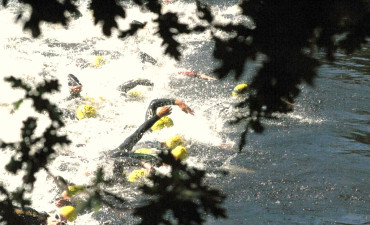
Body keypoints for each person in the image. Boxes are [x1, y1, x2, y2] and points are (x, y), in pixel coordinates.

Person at [11, 205, 77, 225]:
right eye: (57, 217)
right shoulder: (32, 214)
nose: (56, 223)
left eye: (61, 223)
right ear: (54, 213)